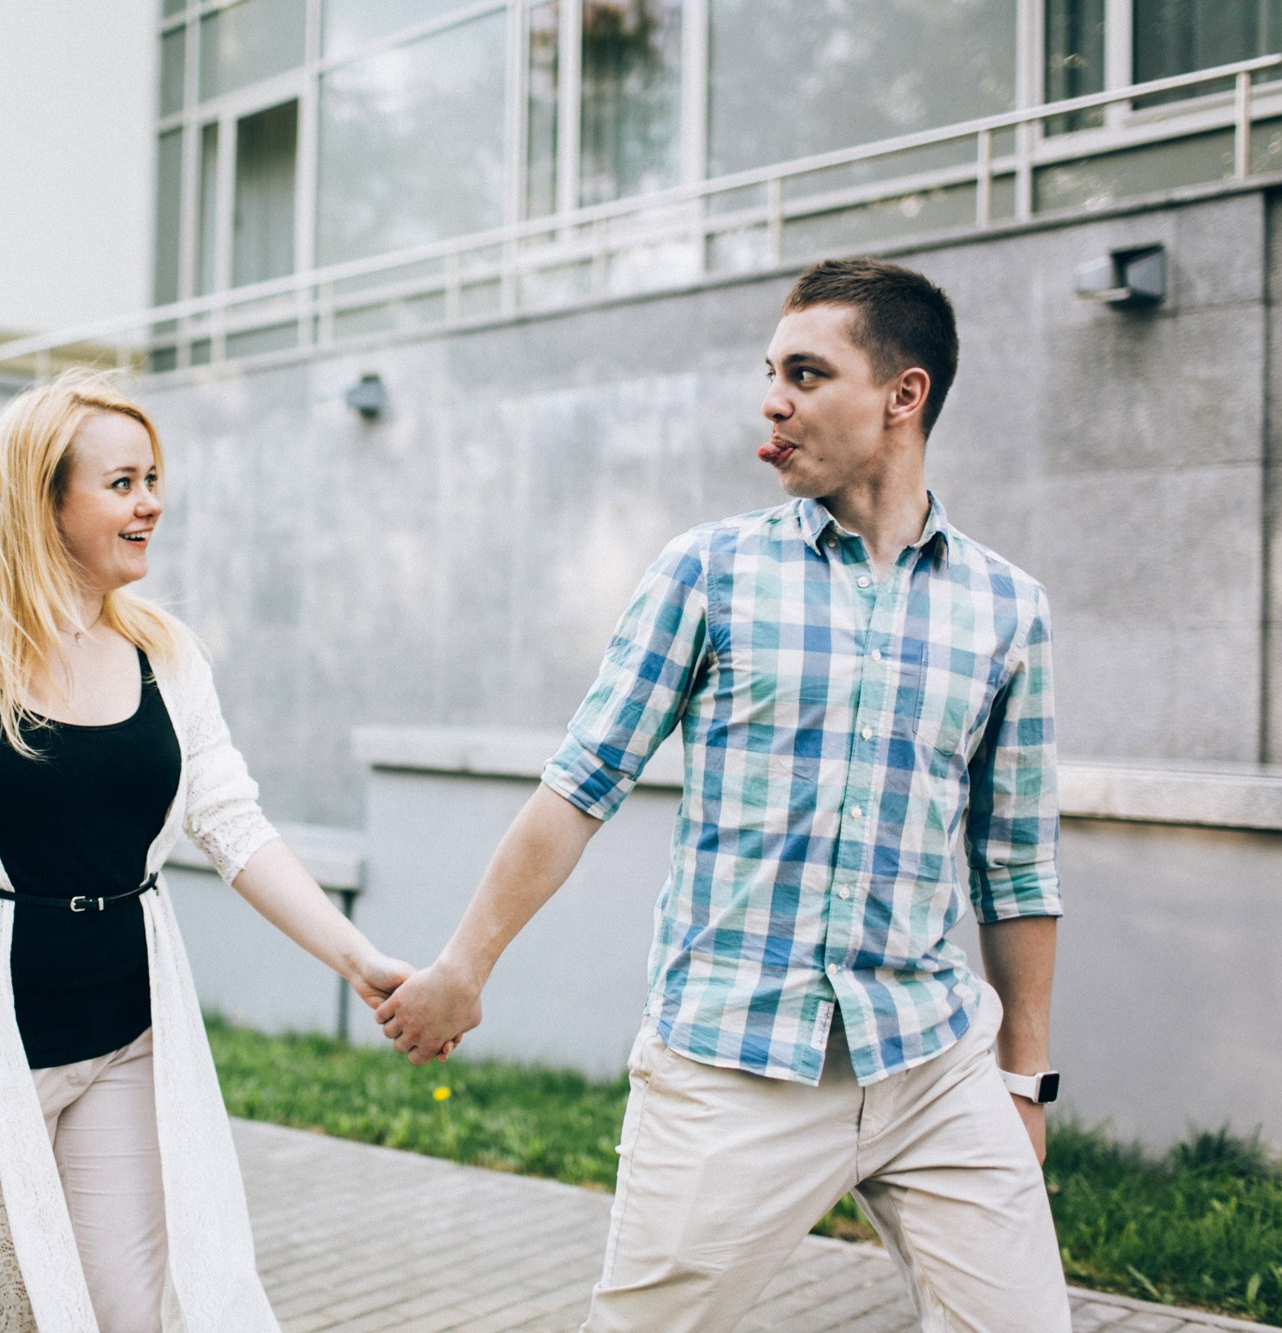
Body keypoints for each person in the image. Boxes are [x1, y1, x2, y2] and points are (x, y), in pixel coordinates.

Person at [377, 257, 1071, 1331]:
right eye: (770, 374)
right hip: (735, 1062)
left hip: (930, 1060)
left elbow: (1014, 862)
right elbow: (579, 786)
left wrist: (1021, 1081)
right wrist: (462, 969)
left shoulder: (1006, 609)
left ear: (904, 395)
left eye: (806, 374)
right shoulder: (709, 574)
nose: (772, 402)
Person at [0, 370, 411, 1332]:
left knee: (119, 1313)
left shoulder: (165, 655)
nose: (151, 503)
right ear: (43, 500)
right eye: (122, 484)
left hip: (125, 1041)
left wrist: (359, 960)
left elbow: (233, 824)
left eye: (153, 480)